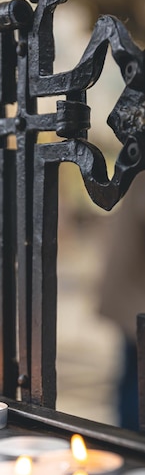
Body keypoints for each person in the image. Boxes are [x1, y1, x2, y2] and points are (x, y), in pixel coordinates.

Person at [97, 170, 145, 431]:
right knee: (135, 387)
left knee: (130, 377)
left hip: (131, 293)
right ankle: (132, 449)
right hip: (135, 297)